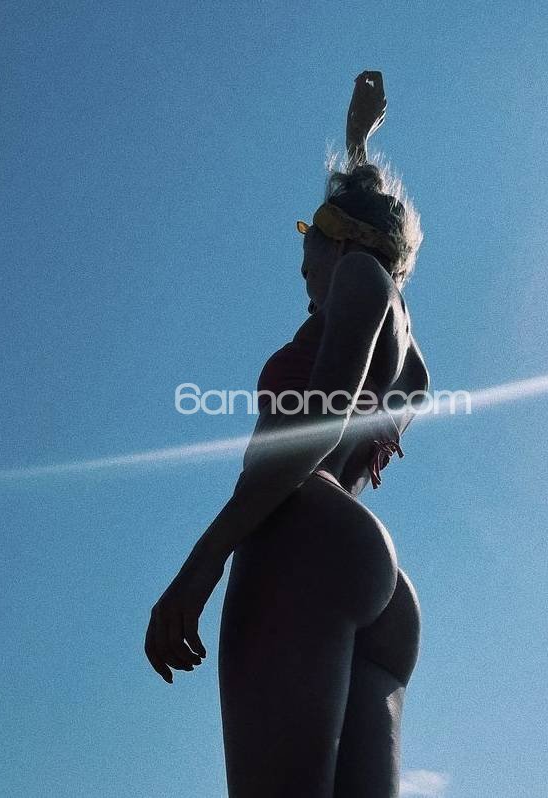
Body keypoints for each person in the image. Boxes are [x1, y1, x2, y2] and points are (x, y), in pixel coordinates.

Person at [145, 70, 429, 798]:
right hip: (378, 585)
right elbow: (373, 232)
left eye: (308, 254)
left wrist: (203, 562)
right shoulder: (408, 351)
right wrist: (358, 146)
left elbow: (315, 428)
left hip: (303, 537)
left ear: (336, 240)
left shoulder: (358, 276)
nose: (304, 280)